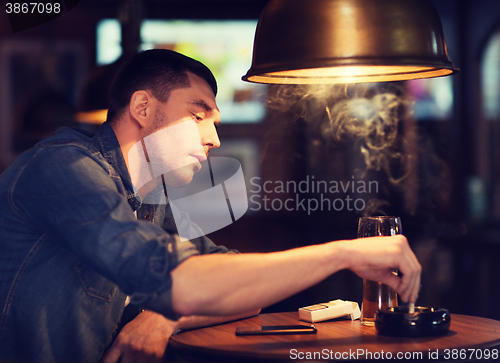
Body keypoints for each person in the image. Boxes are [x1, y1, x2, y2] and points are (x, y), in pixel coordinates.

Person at [0, 49, 421, 363]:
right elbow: (186, 283)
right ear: (143, 108)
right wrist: (345, 253)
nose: (214, 139)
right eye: (198, 115)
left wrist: (166, 317)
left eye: (215, 122)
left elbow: (242, 293)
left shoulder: (151, 199)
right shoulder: (64, 166)